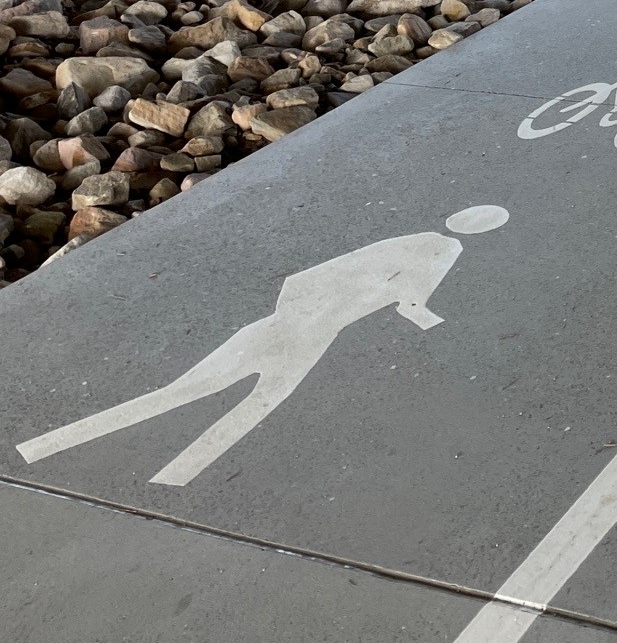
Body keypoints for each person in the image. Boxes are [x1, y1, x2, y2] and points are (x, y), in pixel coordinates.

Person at [17, 205, 510, 486]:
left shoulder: (408, 244)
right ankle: (175, 473)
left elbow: (301, 279)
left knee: (186, 393)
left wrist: (304, 312)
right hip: (304, 336)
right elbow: (412, 301)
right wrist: (401, 314)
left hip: (273, 326)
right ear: (480, 229)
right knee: (254, 403)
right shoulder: (439, 251)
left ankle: (53, 446)